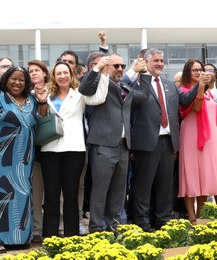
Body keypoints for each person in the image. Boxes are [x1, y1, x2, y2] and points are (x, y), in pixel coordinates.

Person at [0, 61, 47, 252]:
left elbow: (41, 119)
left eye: (22, 80)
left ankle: (20, 237)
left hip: (23, 160)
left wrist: (43, 100)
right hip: (1, 159)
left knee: (22, 195)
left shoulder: (31, 100)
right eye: (13, 79)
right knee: (0, 195)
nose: (17, 83)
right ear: (5, 80)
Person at [130, 48, 201, 231]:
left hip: (168, 142)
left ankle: (162, 221)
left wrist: (199, 85)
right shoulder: (137, 83)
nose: (160, 64)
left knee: (165, 185)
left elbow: (185, 101)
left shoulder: (169, 84)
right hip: (146, 143)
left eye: (162, 60)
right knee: (143, 185)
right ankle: (142, 222)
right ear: (146, 62)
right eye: (156, 60)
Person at [79, 53, 151, 233]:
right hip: (103, 144)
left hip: (124, 145)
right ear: (107, 67)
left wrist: (145, 73)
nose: (119, 69)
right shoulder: (100, 83)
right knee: (100, 189)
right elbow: (84, 88)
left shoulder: (125, 86)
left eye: (122, 66)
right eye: (115, 66)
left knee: (119, 191)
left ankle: (114, 226)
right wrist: (96, 69)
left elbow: (143, 96)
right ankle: (96, 228)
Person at [40, 61, 109, 238]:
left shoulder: (79, 93)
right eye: (58, 73)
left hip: (74, 149)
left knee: (70, 194)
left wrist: (103, 75)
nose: (62, 76)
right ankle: (50, 235)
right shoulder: (46, 94)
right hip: (49, 149)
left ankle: (71, 234)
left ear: (71, 75)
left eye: (65, 73)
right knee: (51, 194)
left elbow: (99, 98)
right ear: (54, 77)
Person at [178, 59, 216, 225]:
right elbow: (195, 107)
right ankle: (191, 215)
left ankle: (200, 214)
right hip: (191, 135)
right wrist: (200, 85)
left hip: (209, 138)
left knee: (205, 175)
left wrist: (205, 86)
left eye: (200, 70)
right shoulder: (184, 89)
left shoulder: (209, 92)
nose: (198, 73)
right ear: (188, 72)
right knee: (191, 174)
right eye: (194, 70)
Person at [27, 59, 50, 243]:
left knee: (52, 193)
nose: (33, 73)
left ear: (44, 73)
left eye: (37, 70)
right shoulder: (26, 95)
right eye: (30, 71)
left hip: (53, 147)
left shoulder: (55, 92)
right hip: (32, 150)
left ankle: (54, 227)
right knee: (35, 193)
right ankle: (36, 230)